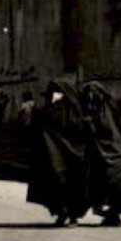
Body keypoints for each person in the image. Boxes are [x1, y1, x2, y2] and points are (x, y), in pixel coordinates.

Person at [27, 78, 93, 227]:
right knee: (66, 186)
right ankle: (66, 215)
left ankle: (68, 215)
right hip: (70, 157)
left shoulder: (56, 112)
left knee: (64, 185)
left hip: (64, 158)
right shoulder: (75, 112)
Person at [80, 81, 121, 228]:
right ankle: (110, 213)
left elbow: (109, 135)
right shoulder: (95, 112)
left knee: (111, 182)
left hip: (115, 155)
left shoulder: (107, 113)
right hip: (103, 155)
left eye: (93, 96)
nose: (90, 99)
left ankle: (113, 214)